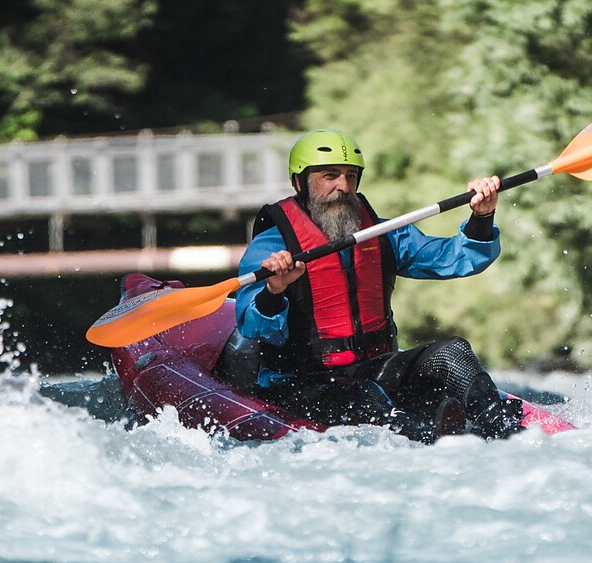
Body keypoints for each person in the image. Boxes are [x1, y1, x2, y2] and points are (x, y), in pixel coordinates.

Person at [224, 128, 525, 442]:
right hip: (301, 381)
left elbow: (460, 258)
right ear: (299, 182)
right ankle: (427, 436)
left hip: (375, 369)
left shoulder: (381, 234)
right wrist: (274, 290)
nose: (343, 186)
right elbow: (254, 330)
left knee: (453, 352)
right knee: (365, 395)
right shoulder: (272, 247)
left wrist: (482, 216)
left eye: (351, 176)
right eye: (330, 176)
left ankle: (503, 428)